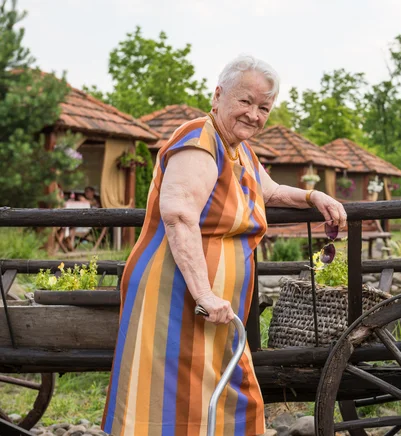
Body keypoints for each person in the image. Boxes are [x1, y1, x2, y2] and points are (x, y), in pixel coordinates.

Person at [102, 55, 347, 435]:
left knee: (221, 395)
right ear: (218, 96)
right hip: (179, 296)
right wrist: (204, 293)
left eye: (264, 107)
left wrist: (314, 197)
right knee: (173, 401)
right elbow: (179, 215)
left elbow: (273, 190)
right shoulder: (199, 140)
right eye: (245, 102)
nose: (254, 114)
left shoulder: (240, 151)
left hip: (209, 302)